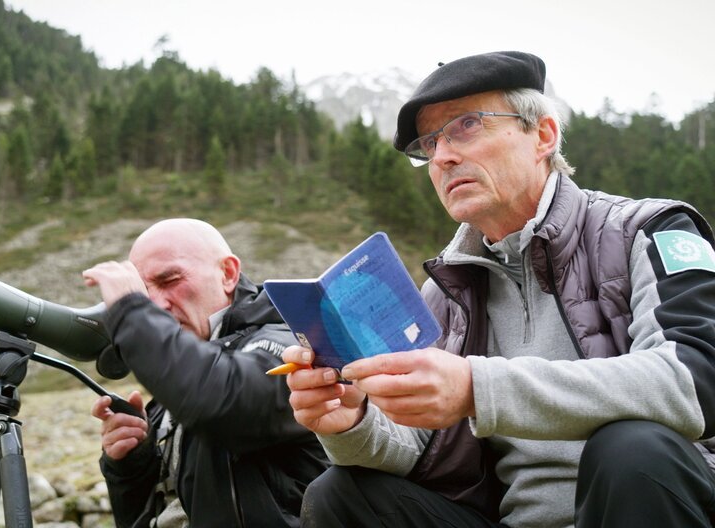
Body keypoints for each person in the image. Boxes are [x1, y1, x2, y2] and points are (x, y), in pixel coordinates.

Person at [282, 51, 715, 528]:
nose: (442, 156)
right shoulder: (447, 291)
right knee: (340, 495)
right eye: (429, 143)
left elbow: (697, 378)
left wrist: (477, 387)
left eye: (467, 125)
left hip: (645, 500)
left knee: (631, 450)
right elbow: (426, 454)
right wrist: (352, 422)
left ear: (543, 136)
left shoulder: (648, 231)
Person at [82, 218, 329, 528]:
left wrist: (130, 311)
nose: (156, 304)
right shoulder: (176, 389)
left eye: (169, 279)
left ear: (227, 273)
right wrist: (132, 465)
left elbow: (225, 404)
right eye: (144, 292)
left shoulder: (289, 339)